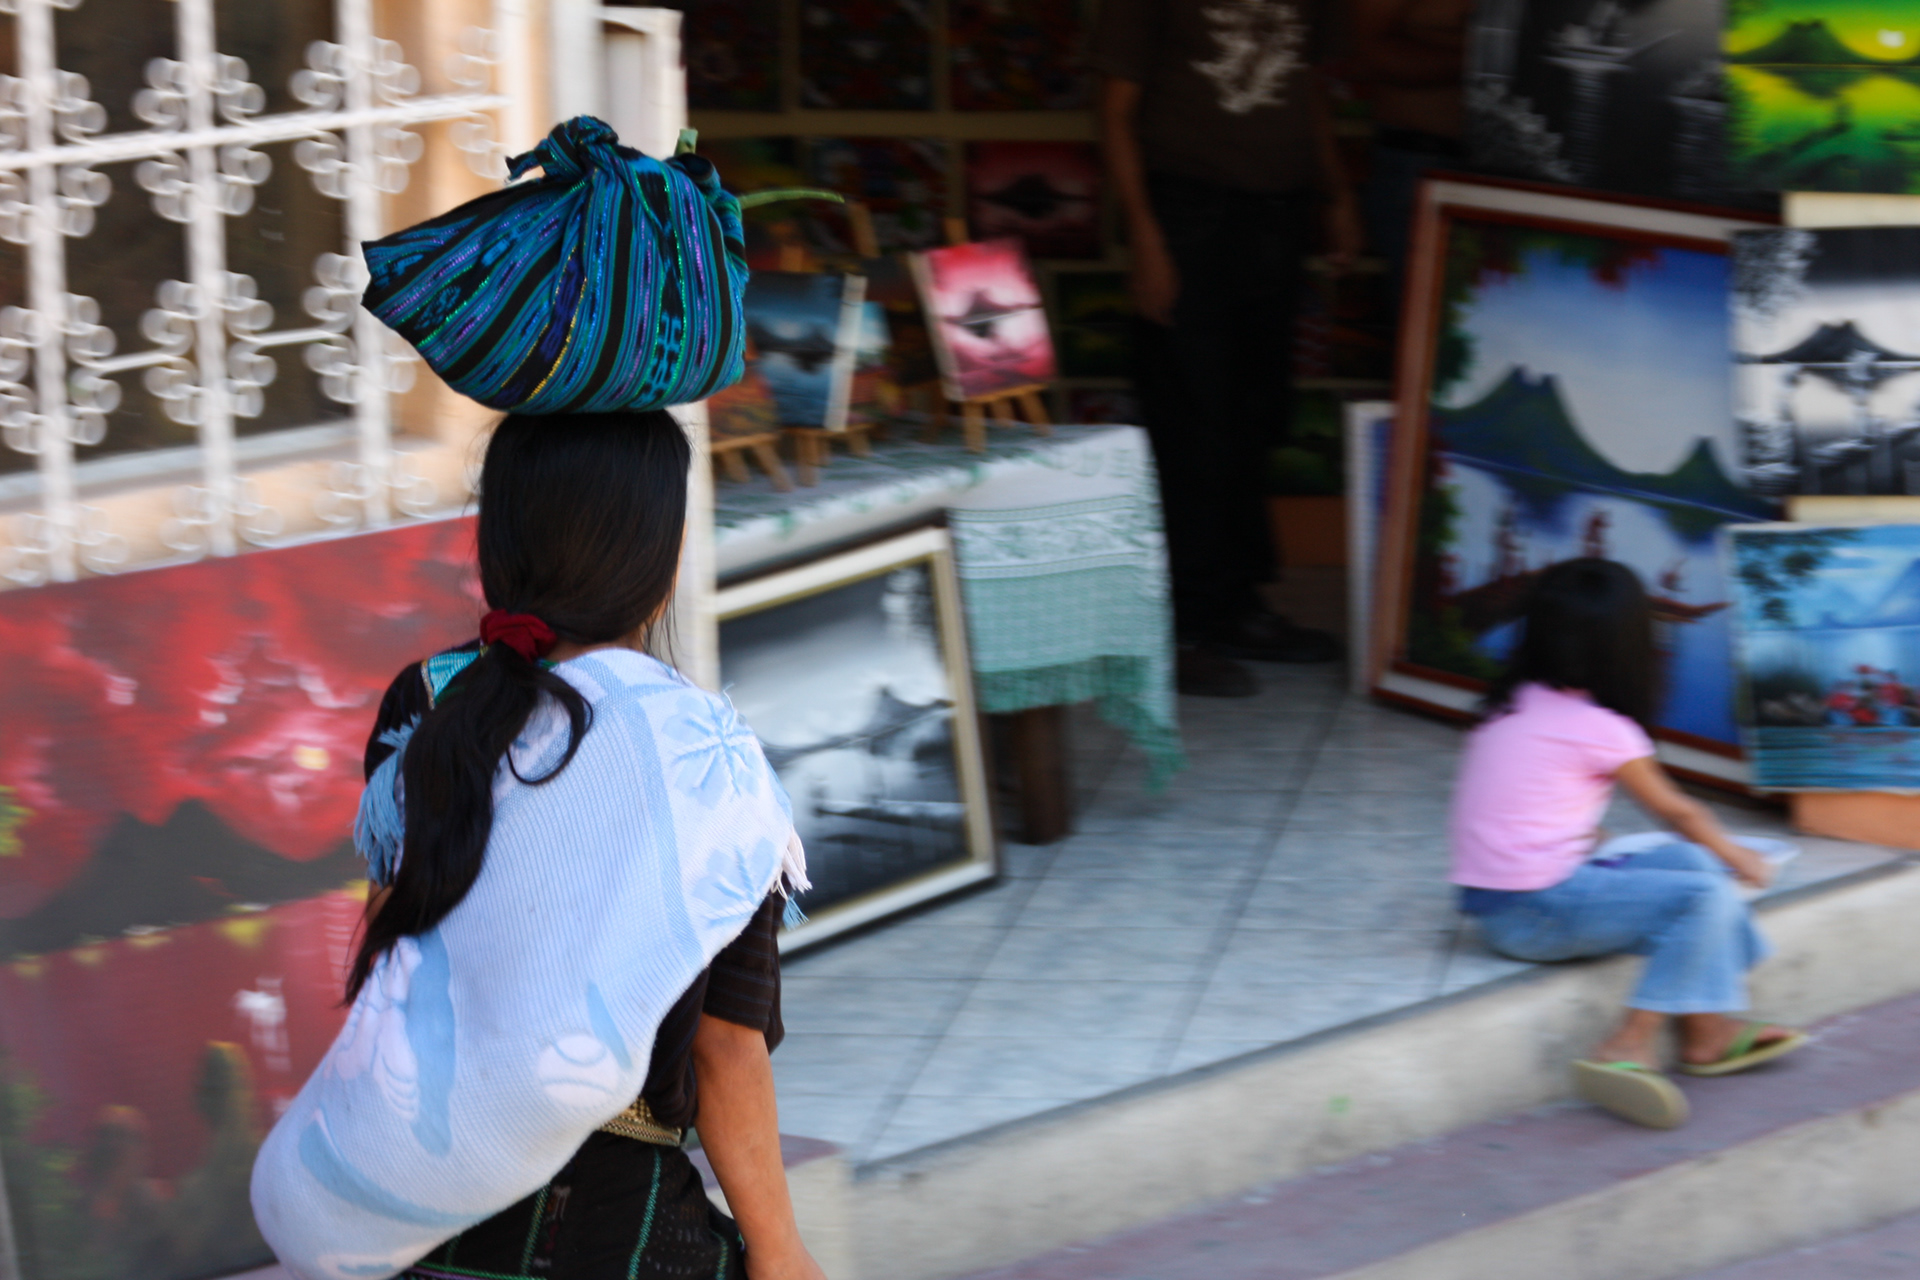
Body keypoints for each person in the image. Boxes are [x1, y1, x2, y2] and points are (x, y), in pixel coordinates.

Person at [251, 120, 826, 1280]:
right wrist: (780, 1250)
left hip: (420, 1213)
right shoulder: (696, 755)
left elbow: (398, 939)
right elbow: (723, 1049)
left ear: (496, 539)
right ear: (660, 564)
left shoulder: (424, 698)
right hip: (614, 1234)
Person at [1449, 559, 1807, 1130]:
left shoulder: (1513, 703)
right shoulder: (1603, 727)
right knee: (1707, 892)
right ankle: (1631, 1041)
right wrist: (1740, 855)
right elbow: (1675, 809)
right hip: (1531, 911)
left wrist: (1578, 833)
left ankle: (1705, 1030)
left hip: (1502, 899)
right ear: (1627, 646)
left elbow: (1513, 799)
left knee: (1693, 866)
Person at [1091, 0, 1357, 697]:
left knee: (1258, 414)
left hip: (1280, 208)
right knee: (1189, 419)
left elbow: (1309, 87)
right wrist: (1145, 237)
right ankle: (1178, 628)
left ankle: (1238, 606)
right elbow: (1115, 111)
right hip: (1188, 209)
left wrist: (1335, 194)